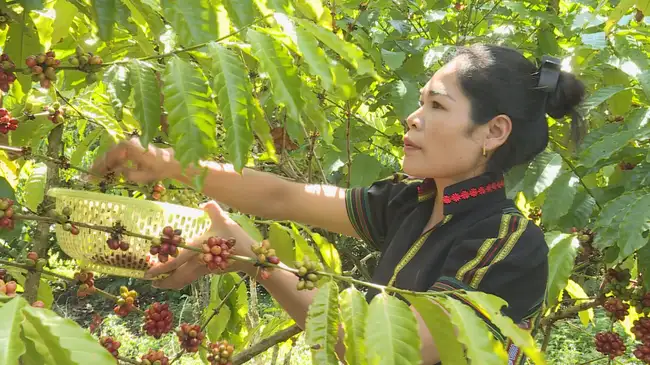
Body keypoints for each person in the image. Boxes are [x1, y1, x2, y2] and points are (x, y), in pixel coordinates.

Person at [91, 44, 586, 364]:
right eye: (420, 102)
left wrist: (255, 259)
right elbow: (283, 196)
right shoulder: (410, 199)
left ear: (493, 131)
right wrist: (169, 164)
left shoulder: (507, 244)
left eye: (437, 105)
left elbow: (378, 353)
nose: (413, 118)